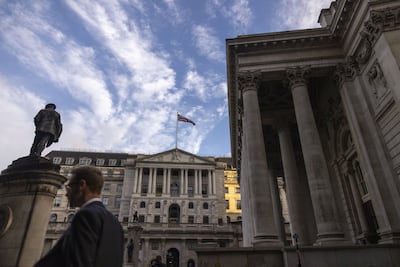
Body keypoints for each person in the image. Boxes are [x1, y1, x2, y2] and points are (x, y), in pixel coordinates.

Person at [34, 166, 124, 267]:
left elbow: (77, 262)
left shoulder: (86, 215)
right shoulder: (115, 223)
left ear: (82, 185)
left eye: (70, 187)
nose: (67, 194)